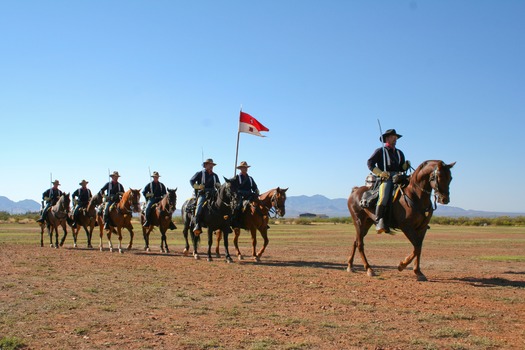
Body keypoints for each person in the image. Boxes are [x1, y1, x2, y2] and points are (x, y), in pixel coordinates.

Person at [367, 129, 411, 234]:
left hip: (399, 177)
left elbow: (401, 168)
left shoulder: (400, 153)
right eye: (393, 137)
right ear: (387, 138)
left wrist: (406, 166)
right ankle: (379, 221)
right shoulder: (380, 151)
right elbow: (370, 163)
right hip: (386, 178)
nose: (395, 139)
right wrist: (380, 173)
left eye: (396, 137)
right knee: (384, 196)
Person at [189, 158, 220, 234]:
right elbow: (191, 181)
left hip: (213, 193)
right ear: (205, 165)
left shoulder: (215, 175)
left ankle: (219, 224)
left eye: (212, 165)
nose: (211, 166)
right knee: (199, 206)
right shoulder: (200, 173)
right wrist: (198, 186)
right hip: (203, 194)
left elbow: (218, 185)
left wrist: (219, 186)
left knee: (220, 205)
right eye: (209, 164)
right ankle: (197, 224)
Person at [232, 161, 259, 228]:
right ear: (240, 169)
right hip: (240, 196)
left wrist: (256, 190)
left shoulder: (250, 178)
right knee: (238, 207)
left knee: (260, 203)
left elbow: (254, 187)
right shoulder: (237, 177)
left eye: (246, 167)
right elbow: (234, 188)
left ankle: (263, 222)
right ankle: (235, 221)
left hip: (250, 195)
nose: (245, 169)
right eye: (244, 167)